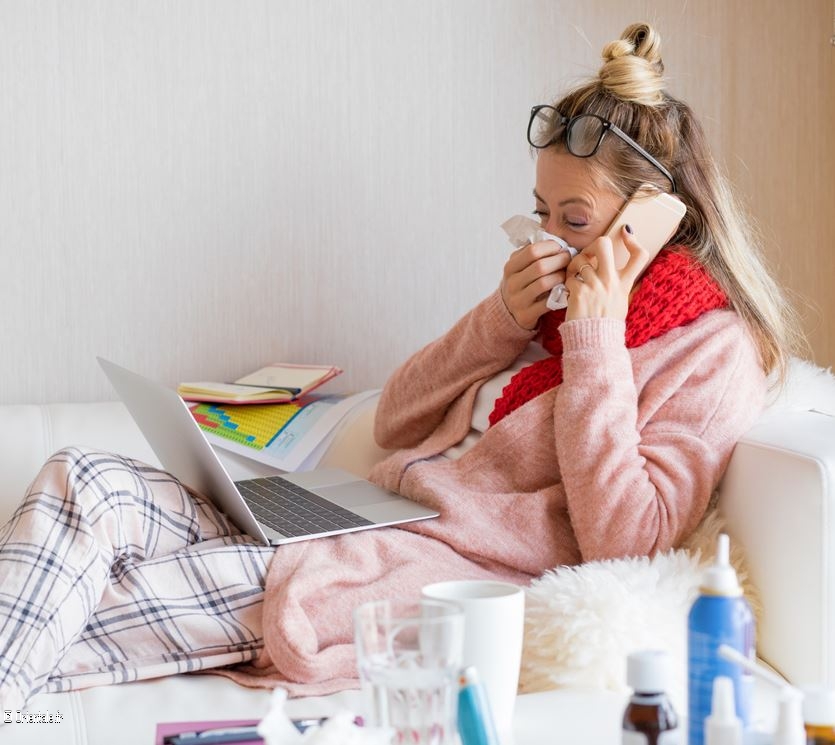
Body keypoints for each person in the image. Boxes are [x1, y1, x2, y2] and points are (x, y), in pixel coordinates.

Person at [0, 22, 801, 713]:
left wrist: (596, 342)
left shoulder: (709, 354)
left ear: (652, 221)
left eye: (575, 219)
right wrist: (501, 321)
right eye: (541, 210)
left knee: (84, 605)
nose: (549, 239)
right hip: (358, 516)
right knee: (83, 476)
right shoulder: (551, 312)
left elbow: (626, 543)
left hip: (407, 570)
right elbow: (397, 422)